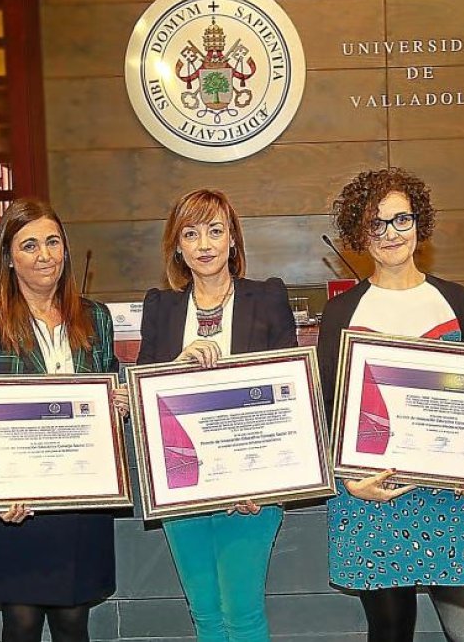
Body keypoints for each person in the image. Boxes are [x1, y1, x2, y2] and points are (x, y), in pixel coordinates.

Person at [318, 168, 464, 642]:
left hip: (449, 496)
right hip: (374, 495)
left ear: (420, 223)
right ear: (361, 233)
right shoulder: (341, 312)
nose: (392, 233)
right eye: (377, 224)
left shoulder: (455, 299)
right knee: (390, 633)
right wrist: (351, 482)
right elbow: (330, 409)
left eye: (402, 219)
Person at [0, 199, 124, 642]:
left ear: (66, 251)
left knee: (73, 622)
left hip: (78, 494)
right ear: (9, 258)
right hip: (15, 499)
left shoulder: (95, 318)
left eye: (53, 242)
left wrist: (118, 405)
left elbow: (108, 391)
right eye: (29, 245)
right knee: (22, 621)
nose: (44, 255)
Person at [136, 188, 296, 641]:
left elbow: (288, 399)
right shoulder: (161, 307)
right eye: (191, 233)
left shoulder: (267, 298)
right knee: (205, 614)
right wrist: (176, 365)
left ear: (232, 241)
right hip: (182, 480)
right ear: (177, 246)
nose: (204, 244)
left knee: (241, 613)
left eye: (214, 231)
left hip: (253, 486)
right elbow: (146, 390)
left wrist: (263, 484)